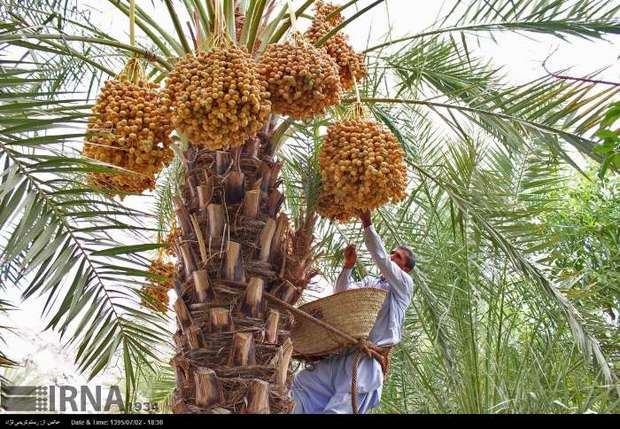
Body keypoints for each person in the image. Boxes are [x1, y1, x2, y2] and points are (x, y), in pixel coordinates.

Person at [291, 209, 416, 414]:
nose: (392, 257)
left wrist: (367, 223)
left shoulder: (403, 288)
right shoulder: (371, 283)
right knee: (303, 385)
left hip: (366, 362)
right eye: (392, 252)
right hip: (344, 354)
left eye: (398, 257)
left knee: (337, 410)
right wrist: (347, 267)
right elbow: (342, 297)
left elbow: (381, 259)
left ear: (406, 269)